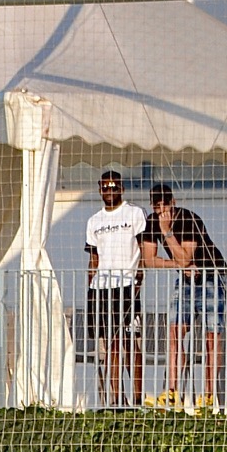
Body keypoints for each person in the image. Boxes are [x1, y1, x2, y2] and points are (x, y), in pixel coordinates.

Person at [139, 181, 227, 405]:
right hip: (186, 278)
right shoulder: (151, 222)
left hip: (211, 274)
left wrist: (167, 232)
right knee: (175, 330)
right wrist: (177, 265)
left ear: (173, 202)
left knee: (212, 334)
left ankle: (209, 393)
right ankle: (171, 390)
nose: (161, 211)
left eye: (165, 205)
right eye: (156, 206)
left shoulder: (188, 218)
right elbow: (149, 260)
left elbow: (186, 257)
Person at [84, 169, 146, 407]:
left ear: (122, 188)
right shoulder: (94, 221)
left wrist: (139, 279)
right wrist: (90, 285)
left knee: (130, 343)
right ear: (100, 189)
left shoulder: (135, 213)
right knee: (110, 344)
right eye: (105, 187)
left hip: (127, 285)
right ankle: (117, 399)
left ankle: (137, 399)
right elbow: (94, 259)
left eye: (114, 186)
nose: (110, 190)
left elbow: (144, 250)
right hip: (101, 289)